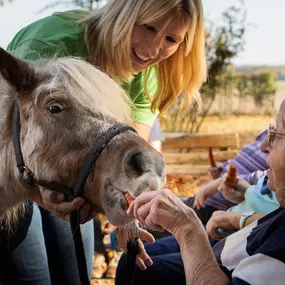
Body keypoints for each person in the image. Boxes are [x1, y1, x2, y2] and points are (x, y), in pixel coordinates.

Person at [0, 1, 207, 284]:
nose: (152, 49)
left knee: (75, 275)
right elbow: (15, 130)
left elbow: (132, 162)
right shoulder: (50, 41)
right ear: (125, 14)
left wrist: (129, 219)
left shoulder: (147, 75)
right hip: (18, 175)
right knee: (32, 276)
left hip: (75, 180)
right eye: (148, 27)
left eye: (171, 39)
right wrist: (40, 196)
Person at [117, 98, 285, 285]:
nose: (263, 146)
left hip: (221, 233)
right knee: (131, 261)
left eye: (276, 133)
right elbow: (260, 195)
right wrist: (241, 189)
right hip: (227, 240)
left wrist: (188, 228)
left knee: (135, 265)